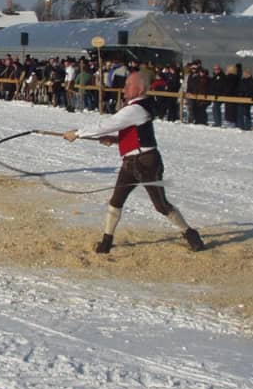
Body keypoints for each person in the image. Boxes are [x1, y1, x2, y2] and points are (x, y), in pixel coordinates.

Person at [61, 72, 205, 254]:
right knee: (116, 201)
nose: (125, 88)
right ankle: (106, 241)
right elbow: (133, 132)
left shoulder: (135, 109)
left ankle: (190, 233)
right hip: (130, 162)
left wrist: (78, 133)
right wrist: (115, 140)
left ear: (141, 89)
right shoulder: (135, 108)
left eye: (129, 85)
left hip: (147, 162)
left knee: (161, 205)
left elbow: (108, 124)